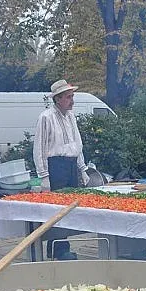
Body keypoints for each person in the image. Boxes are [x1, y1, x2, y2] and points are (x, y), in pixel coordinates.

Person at [33, 79, 90, 260]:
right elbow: (40, 148)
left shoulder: (71, 116)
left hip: (71, 164)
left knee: (69, 208)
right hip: (55, 165)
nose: (72, 101)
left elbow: (77, 144)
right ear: (57, 99)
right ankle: (59, 250)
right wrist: (44, 176)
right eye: (68, 97)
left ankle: (60, 248)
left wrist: (82, 168)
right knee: (57, 210)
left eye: (72, 96)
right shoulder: (46, 117)